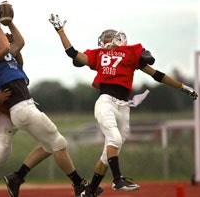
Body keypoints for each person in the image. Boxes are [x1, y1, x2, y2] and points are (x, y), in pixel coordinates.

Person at [0, 3, 103, 197]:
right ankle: (79, 185)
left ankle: (17, 177)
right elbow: (4, 47)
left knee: (49, 146)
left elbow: (18, 43)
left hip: (25, 106)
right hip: (22, 106)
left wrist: (10, 24)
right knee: (59, 143)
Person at [49, 14, 198, 197]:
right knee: (114, 139)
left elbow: (156, 74)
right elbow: (72, 53)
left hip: (124, 106)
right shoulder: (98, 54)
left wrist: (183, 87)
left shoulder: (131, 52)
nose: (105, 40)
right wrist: (60, 31)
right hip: (106, 102)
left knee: (110, 149)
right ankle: (117, 179)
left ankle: (90, 191)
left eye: (108, 36)